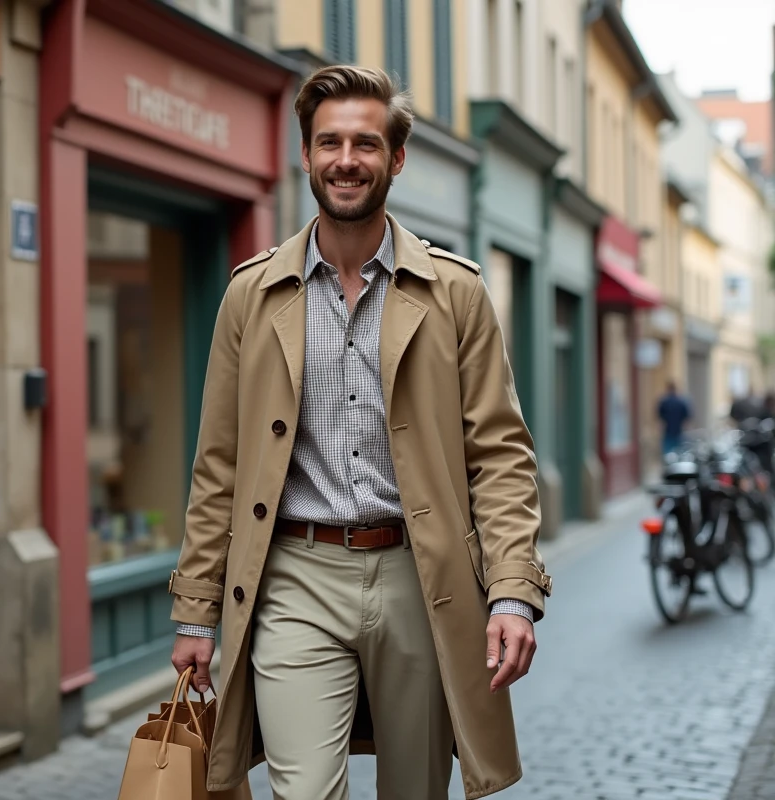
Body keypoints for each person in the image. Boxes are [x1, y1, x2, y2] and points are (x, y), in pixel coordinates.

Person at [167, 65, 550, 800]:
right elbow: (218, 465)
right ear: (305, 156)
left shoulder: (455, 292)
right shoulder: (251, 295)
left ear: (396, 159)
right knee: (303, 790)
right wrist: (196, 612)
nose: (347, 160)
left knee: (416, 789)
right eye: (329, 142)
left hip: (421, 574)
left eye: (366, 144)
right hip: (293, 577)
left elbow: (500, 456)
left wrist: (510, 593)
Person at [656, 381, 692, 458]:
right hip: (679, 432)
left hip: (668, 432)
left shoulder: (664, 402)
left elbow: (660, 420)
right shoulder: (681, 402)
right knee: (680, 454)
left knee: (668, 455)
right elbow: (687, 419)